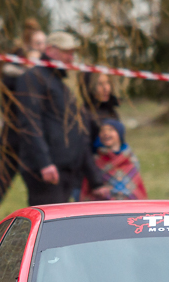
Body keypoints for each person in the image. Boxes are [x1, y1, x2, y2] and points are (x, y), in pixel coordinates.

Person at [0, 20, 46, 241]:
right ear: (27, 49)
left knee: (33, 184)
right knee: (4, 181)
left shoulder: (34, 76)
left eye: (44, 44)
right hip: (14, 138)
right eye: (38, 44)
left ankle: (38, 229)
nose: (43, 49)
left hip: (25, 139)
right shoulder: (16, 78)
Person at [14, 32, 110, 205]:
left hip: (66, 171)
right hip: (47, 172)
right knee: (49, 220)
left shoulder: (61, 84)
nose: (71, 57)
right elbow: (30, 123)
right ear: (50, 50)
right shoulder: (33, 78)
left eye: (72, 53)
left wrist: (95, 180)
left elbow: (79, 132)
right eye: (67, 52)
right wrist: (44, 163)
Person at [81, 118, 148, 201]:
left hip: (129, 205)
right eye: (102, 131)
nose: (106, 133)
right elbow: (89, 188)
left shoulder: (131, 159)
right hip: (104, 204)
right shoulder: (96, 161)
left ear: (119, 134)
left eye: (111, 130)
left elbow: (136, 187)